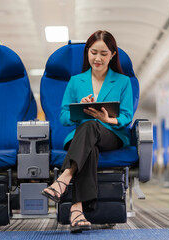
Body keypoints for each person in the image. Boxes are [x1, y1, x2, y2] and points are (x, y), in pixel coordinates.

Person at [41, 30, 133, 233]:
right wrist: (80, 109)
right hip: (81, 136)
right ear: (87, 52)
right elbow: (64, 117)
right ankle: (77, 210)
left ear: (113, 55)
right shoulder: (75, 81)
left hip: (112, 134)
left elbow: (127, 116)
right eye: (93, 52)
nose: (98, 58)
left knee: (92, 127)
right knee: (89, 140)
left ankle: (64, 178)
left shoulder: (123, 81)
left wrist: (109, 119)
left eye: (103, 53)